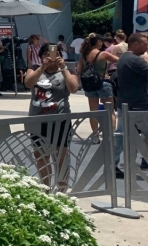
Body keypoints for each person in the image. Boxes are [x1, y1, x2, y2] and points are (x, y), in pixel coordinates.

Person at [24, 42, 79, 190]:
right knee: (41, 156)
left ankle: (62, 189)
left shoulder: (67, 70)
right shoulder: (35, 68)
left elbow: (74, 88)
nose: (51, 58)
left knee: (60, 155)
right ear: (41, 57)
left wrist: (63, 68)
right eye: (46, 55)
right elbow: (28, 84)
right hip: (38, 120)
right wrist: (42, 67)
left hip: (60, 119)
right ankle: (46, 187)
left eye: (55, 54)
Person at [113, 33, 148, 179]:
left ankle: (113, 164)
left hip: (126, 104)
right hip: (139, 106)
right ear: (135, 44)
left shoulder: (124, 58)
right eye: (144, 43)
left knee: (121, 136)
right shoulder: (134, 60)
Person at [77, 33, 118, 134]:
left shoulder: (84, 55)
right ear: (98, 42)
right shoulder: (103, 54)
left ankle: (95, 136)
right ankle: (111, 135)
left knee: (93, 111)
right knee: (110, 111)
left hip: (89, 83)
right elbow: (120, 61)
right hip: (103, 82)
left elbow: (78, 71)